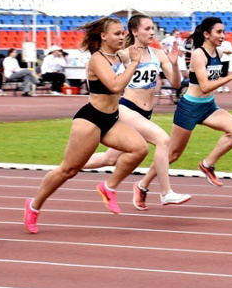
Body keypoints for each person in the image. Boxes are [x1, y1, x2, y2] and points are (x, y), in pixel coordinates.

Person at [23, 17, 149, 233]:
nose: (122, 37)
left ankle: (108, 187)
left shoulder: (119, 55)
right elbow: (115, 85)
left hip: (111, 119)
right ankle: (34, 206)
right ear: (103, 36)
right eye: (117, 33)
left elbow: (138, 51)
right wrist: (135, 63)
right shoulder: (97, 60)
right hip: (90, 120)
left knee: (140, 148)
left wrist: (143, 39)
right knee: (68, 170)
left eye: (123, 33)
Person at [80, 14, 192, 210]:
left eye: (152, 29)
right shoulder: (123, 54)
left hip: (145, 113)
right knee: (163, 140)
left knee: (110, 158)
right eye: (147, 29)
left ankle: (69, 165)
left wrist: (174, 64)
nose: (151, 32)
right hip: (127, 108)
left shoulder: (159, 54)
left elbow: (175, 84)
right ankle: (166, 193)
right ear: (134, 31)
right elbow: (105, 74)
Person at [147, 17, 232, 188]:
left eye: (224, 32)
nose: (223, 35)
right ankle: (142, 184)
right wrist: (231, 76)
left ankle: (207, 164)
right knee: (173, 154)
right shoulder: (199, 54)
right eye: (219, 32)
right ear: (207, 34)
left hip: (208, 106)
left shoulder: (219, 53)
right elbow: (205, 86)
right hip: (190, 108)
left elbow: (210, 82)